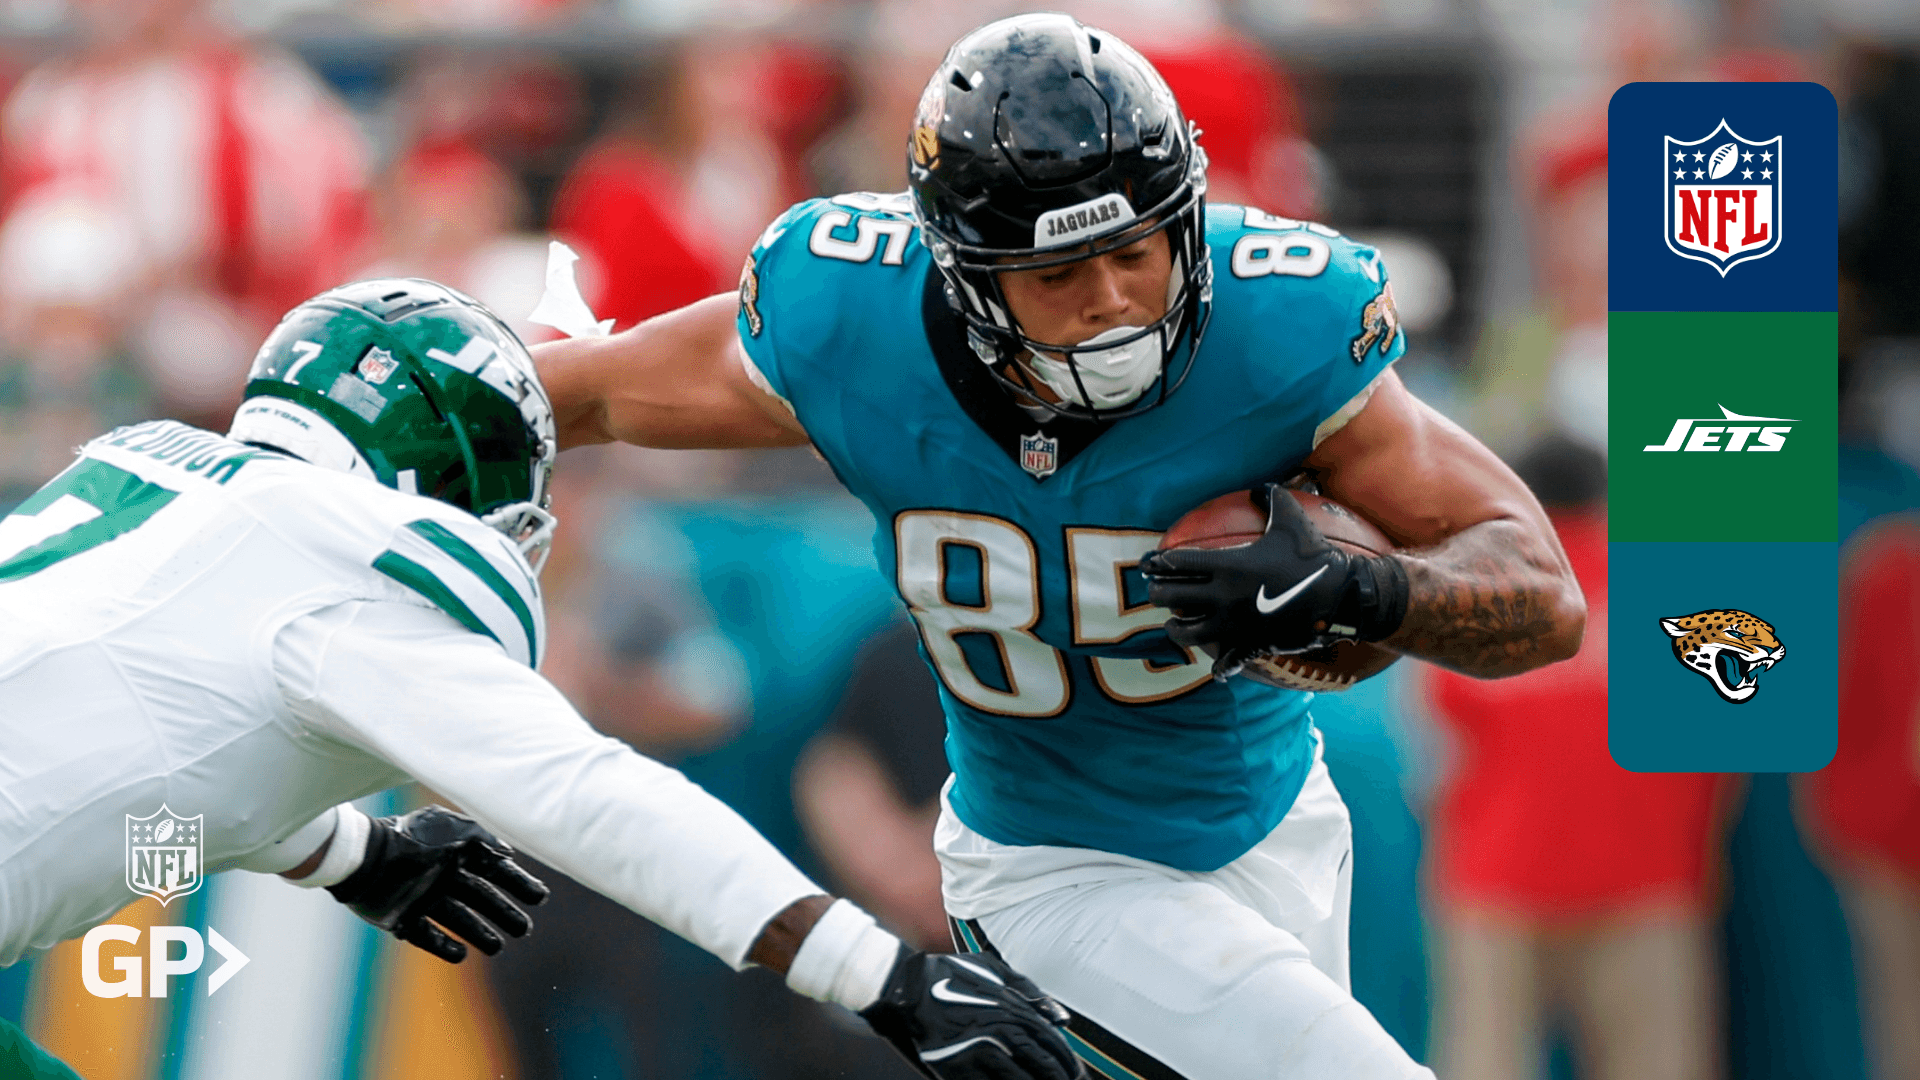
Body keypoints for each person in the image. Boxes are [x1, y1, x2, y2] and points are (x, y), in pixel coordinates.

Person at [536, 14, 1585, 1078]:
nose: (1114, 302)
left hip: (1278, 822)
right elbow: (577, 396)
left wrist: (1358, 589)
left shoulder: (1273, 325)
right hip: (1052, 870)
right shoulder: (854, 321)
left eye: (1135, 253)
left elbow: (1543, 594)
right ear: (966, 278)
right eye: (1059, 276)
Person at [0, 278, 1080, 1080]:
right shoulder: (340, 570)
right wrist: (879, 976)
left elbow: (135, 756)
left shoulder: (157, 490)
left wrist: (349, 852)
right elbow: (586, 794)